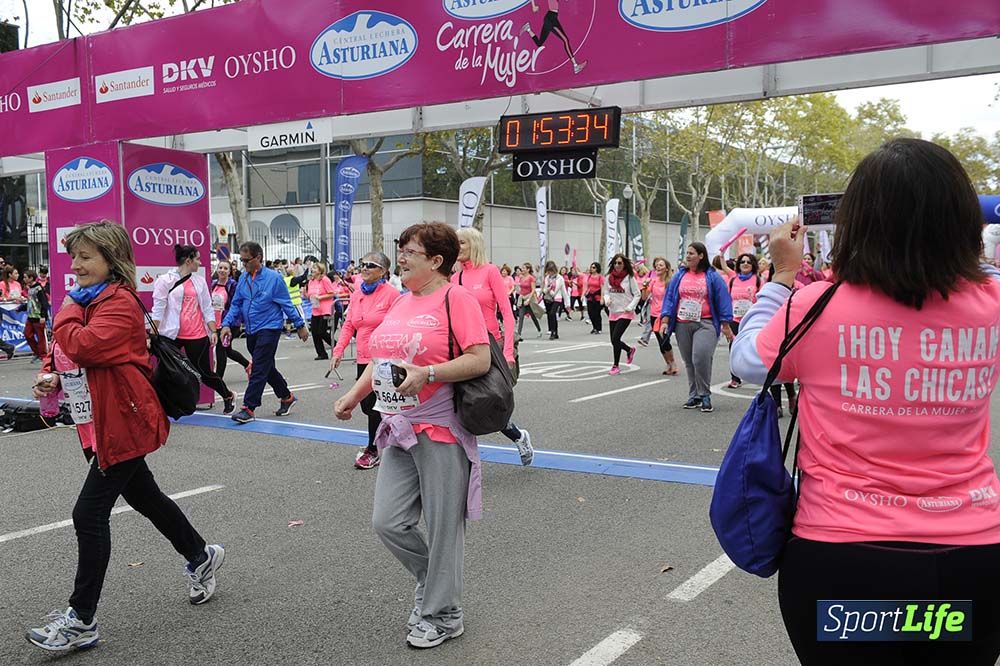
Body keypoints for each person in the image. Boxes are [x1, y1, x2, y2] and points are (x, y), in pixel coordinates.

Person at [731, 138, 1000, 666]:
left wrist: (782, 279)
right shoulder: (991, 303)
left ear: (858, 222)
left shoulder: (816, 305)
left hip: (841, 558)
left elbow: (746, 362)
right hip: (972, 557)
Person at [26, 221, 223, 653]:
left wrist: (63, 313)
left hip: (124, 425)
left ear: (110, 261)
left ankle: (81, 620)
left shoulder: (116, 304)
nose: (76, 265)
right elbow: (78, 359)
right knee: (145, 498)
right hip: (96, 422)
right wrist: (54, 380)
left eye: (86, 257)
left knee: (88, 514)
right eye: (74, 256)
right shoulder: (87, 301)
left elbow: (84, 345)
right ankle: (200, 554)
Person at [334, 222, 491, 649]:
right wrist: (352, 395)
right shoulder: (402, 301)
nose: (399, 258)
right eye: (400, 250)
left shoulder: (457, 298)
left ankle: (443, 614)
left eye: (409, 252)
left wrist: (430, 373)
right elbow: (378, 359)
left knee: (444, 529)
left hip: (441, 429)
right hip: (397, 428)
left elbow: (479, 359)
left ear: (436, 261)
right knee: (388, 522)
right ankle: (433, 581)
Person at [453, 228, 534, 465]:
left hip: (491, 345)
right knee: (462, 402)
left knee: (489, 399)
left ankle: (518, 436)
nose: (458, 248)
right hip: (462, 346)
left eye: (462, 243)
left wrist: (508, 351)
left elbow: (508, 315)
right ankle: (464, 458)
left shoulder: (490, 271)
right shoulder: (455, 277)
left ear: (474, 245)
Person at [221, 241, 308, 423]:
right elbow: (236, 304)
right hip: (252, 329)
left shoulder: (274, 278)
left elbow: (286, 303)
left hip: (270, 327)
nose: (243, 264)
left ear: (258, 257)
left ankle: (249, 407)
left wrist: (300, 325)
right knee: (266, 366)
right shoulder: (243, 279)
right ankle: (286, 396)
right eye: (242, 261)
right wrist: (227, 324)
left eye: (246, 260)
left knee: (258, 367)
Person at [332, 252, 400, 469]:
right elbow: (349, 324)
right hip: (363, 358)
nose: (364, 268)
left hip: (384, 360)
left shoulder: (392, 294)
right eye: (362, 264)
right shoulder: (357, 293)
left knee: (377, 407)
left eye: (371, 265)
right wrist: (338, 350)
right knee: (368, 406)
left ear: (383, 271)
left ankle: (373, 449)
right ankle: (388, 441)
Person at [152, 244, 236, 415]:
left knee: (204, 373)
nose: (200, 262)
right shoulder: (165, 280)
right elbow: (158, 309)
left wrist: (213, 331)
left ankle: (227, 396)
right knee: (164, 372)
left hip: (197, 335)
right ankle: (163, 406)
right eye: (197, 259)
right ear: (188, 260)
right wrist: (152, 335)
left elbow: (207, 308)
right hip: (170, 334)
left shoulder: (199, 282)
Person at [660, 242, 734, 413]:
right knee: (689, 361)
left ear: (701, 256)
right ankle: (694, 395)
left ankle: (705, 394)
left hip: (705, 323)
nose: (688, 256)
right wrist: (665, 320)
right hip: (682, 323)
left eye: (692, 253)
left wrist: (725, 325)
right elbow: (670, 298)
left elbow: (723, 300)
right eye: (687, 253)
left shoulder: (713, 276)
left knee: (700, 357)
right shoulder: (680, 276)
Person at [724, 253, 762, 388]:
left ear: (753, 265)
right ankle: (735, 378)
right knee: (733, 346)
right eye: (742, 262)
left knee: (754, 346)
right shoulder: (733, 280)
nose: (745, 264)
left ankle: (757, 374)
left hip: (751, 319)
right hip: (735, 318)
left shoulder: (758, 280)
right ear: (738, 265)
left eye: (748, 262)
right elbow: (726, 298)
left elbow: (762, 299)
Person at [210, 261, 251, 378]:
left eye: (225, 268)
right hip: (215, 322)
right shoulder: (213, 284)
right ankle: (248, 365)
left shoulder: (233, 285)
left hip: (230, 324)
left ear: (229, 271)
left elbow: (236, 305)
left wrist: (227, 320)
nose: (222, 270)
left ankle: (218, 379)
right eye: (220, 268)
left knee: (221, 349)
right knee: (227, 351)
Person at [602, 254, 641, 375]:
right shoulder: (609, 277)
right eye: (615, 263)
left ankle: (615, 366)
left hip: (625, 312)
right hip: (613, 311)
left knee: (615, 338)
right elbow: (606, 292)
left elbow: (637, 294)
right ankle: (629, 350)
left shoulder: (629, 277)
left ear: (624, 265)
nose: (617, 265)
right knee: (614, 341)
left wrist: (630, 307)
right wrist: (607, 299)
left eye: (620, 263)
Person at [646, 257, 679, 375]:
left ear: (666, 268)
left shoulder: (670, 282)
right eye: (656, 265)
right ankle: (668, 363)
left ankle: (673, 363)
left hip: (665, 315)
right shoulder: (653, 281)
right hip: (654, 315)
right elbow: (645, 297)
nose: (658, 267)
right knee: (660, 342)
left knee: (665, 340)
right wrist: (645, 287)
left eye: (660, 265)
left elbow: (673, 299)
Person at [305, 261, 336, 360]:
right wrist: (306, 295)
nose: (313, 270)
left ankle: (335, 345)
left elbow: (331, 293)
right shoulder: (311, 281)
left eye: (315, 268)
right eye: (312, 268)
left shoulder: (325, 280)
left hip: (325, 309)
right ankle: (321, 353)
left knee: (321, 331)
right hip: (315, 309)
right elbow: (309, 295)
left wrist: (320, 297)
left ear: (320, 270)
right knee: (314, 332)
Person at [22, 269, 49, 363]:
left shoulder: (39, 288)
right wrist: (21, 308)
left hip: (38, 317)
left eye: (25, 277)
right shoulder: (30, 289)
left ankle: (43, 356)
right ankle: (37, 352)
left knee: (41, 337)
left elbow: (44, 303)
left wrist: (43, 316)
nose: (24, 279)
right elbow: (30, 302)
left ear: (31, 278)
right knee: (27, 334)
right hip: (30, 316)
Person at [541, 260, 569, 340]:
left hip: (557, 298)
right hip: (548, 298)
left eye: (551, 271)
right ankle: (554, 331)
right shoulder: (547, 278)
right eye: (549, 271)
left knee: (553, 313)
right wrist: (547, 289)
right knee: (550, 315)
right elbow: (544, 290)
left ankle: (553, 331)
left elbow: (562, 291)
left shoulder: (559, 278)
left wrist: (567, 304)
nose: (550, 273)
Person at [516, 262, 542, 338]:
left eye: (524, 268)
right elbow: (520, 288)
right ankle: (519, 334)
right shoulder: (521, 277)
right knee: (521, 316)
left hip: (529, 299)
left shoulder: (531, 278)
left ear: (528, 269)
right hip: (523, 298)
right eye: (522, 268)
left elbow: (533, 290)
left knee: (533, 316)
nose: (522, 269)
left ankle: (539, 330)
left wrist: (529, 299)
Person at [585, 262, 604, 334]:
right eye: (591, 267)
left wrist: (602, 298)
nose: (592, 269)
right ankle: (594, 327)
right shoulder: (589, 276)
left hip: (597, 297)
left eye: (594, 267)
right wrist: (586, 292)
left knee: (596, 313)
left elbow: (602, 288)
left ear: (597, 268)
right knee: (590, 313)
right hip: (590, 297)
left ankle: (598, 328)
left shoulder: (600, 277)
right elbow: (588, 286)